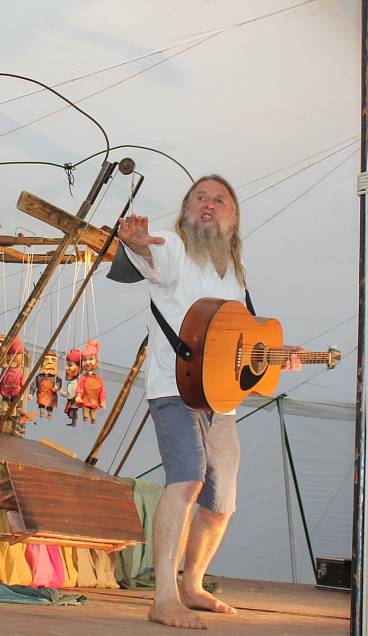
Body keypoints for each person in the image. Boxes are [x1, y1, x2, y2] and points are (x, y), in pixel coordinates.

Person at [117, 175, 300, 629]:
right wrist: (139, 244)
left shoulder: (236, 273)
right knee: (187, 479)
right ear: (184, 211)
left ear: (233, 218)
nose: (208, 204)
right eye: (200, 197)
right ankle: (163, 597)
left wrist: (276, 357)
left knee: (222, 500)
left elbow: (242, 345)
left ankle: (192, 585)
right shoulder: (174, 247)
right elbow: (152, 258)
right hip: (175, 390)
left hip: (221, 401)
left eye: (219, 200)